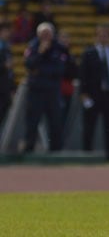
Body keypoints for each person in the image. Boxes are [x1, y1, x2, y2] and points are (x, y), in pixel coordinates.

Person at [79, 23, 109, 162]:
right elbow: (83, 75)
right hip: (93, 95)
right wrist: (84, 94)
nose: (103, 37)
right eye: (100, 34)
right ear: (96, 36)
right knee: (89, 125)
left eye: (106, 34)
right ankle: (87, 154)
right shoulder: (89, 53)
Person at [23, 22, 68, 152]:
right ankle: (28, 149)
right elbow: (29, 64)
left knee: (55, 120)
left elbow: (60, 69)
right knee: (32, 120)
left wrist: (40, 70)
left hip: (52, 90)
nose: (46, 37)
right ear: (38, 35)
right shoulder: (33, 46)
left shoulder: (58, 47)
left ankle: (56, 149)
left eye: (48, 34)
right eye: (43, 34)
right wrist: (40, 53)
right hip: (36, 90)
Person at [0, 22, 15, 128]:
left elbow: (10, 71)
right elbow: (6, 67)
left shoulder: (7, 46)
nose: (8, 33)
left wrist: (12, 87)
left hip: (5, 87)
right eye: (5, 31)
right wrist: (3, 66)